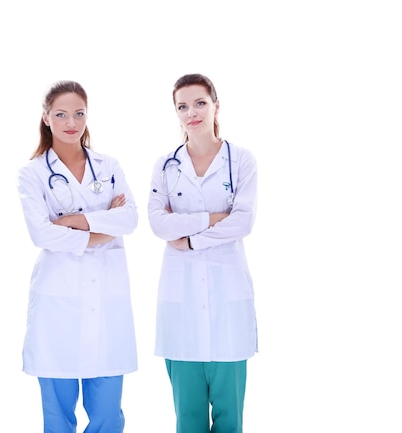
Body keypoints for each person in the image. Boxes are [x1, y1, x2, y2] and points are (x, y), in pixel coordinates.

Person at [17, 80, 138, 433]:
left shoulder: (108, 165)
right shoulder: (33, 174)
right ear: (46, 118)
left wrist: (72, 223)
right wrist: (103, 228)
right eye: (61, 114)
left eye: (79, 114)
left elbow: (129, 219)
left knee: (107, 417)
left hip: (107, 304)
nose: (71, 122)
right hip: (59, 307)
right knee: (57, 418)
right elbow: (41, 233)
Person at [147, 73, 258, 433]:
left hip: (228, 306)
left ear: (215, 106)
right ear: (176, 113)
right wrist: (212, 219)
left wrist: (192, 239)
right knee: (188, 421)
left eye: (199, 103)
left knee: (230, 421)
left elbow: (242, 222)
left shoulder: (241, 160)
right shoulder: (165, 166)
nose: (191, 112)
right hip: (181, 313)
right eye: (182, 106)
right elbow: (159, 225)